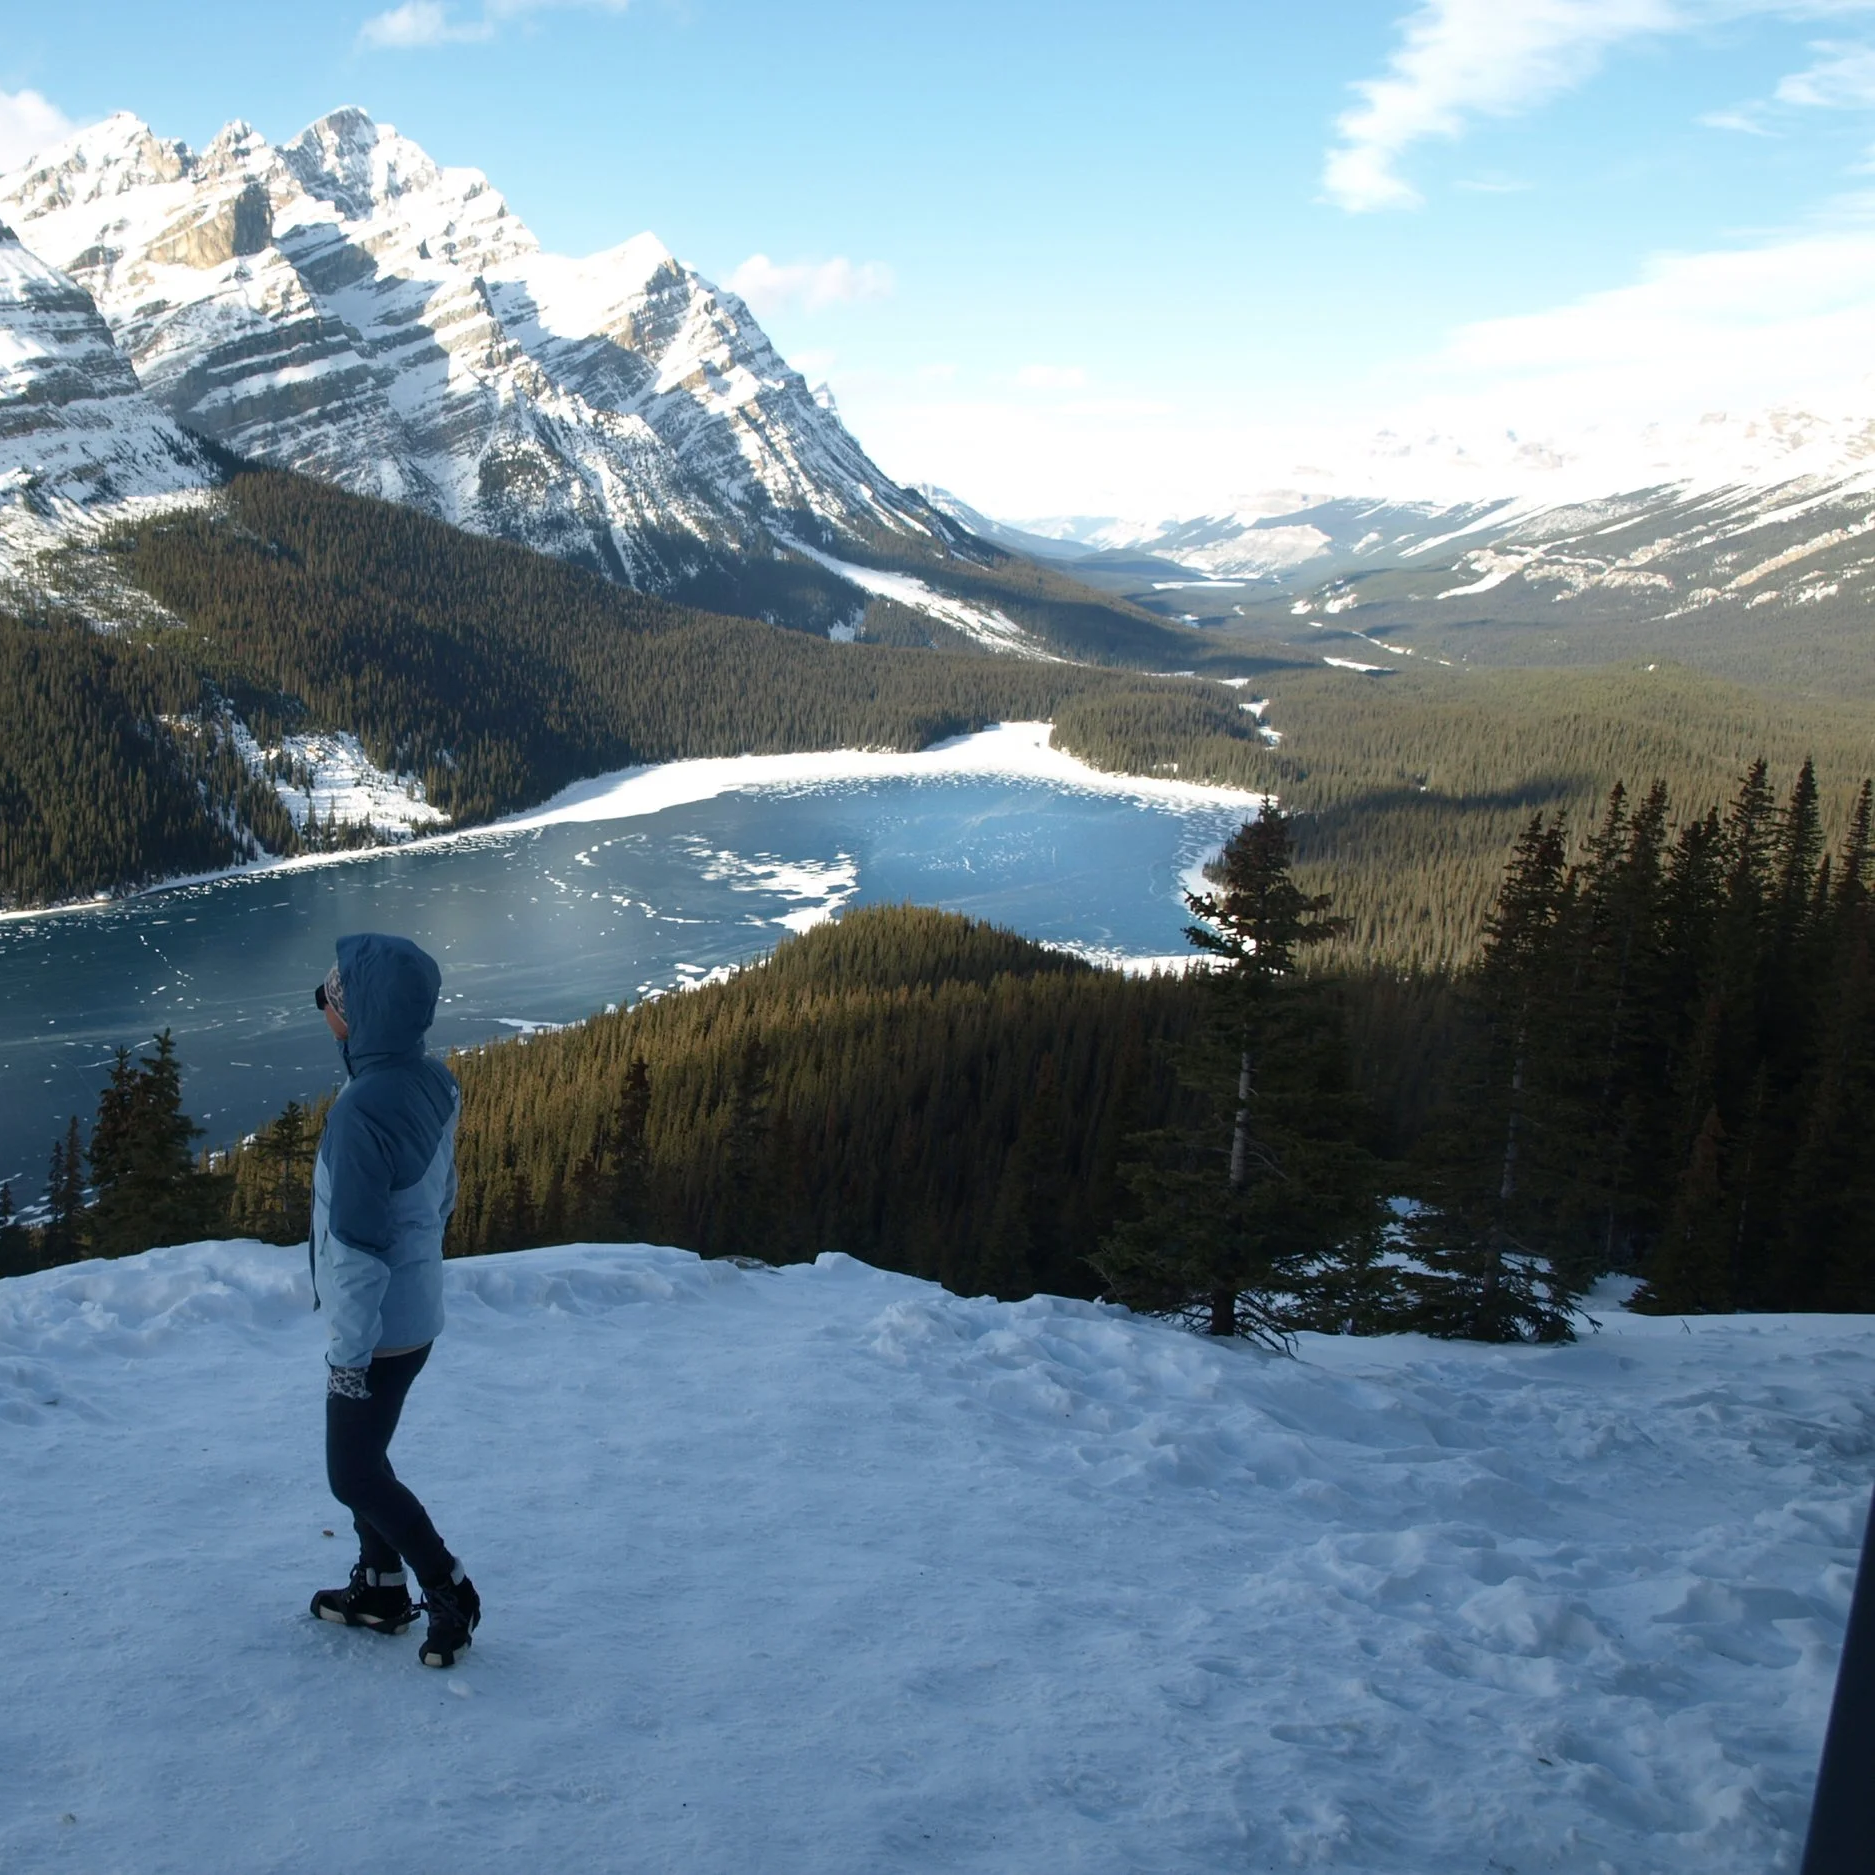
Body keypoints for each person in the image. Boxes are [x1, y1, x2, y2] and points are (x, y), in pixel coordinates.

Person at [305, 933, 481, 1668]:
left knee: (353, 1472)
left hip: (375, 1330)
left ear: (367, 1013)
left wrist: (348, 1357)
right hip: (416, 1316)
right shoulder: (431, 1081)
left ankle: (448, 1586)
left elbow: (353, 1254)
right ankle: (379, 1588)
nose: (324, 1004)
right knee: (369, 1455)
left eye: (336, 995)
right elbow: (440, 1197)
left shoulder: (360, 1112)